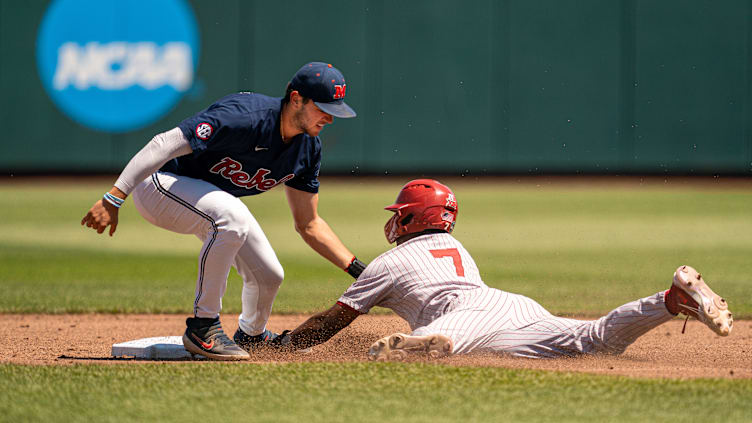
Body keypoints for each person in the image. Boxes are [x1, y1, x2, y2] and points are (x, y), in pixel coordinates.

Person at [81, 62, 368, 360]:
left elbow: (309, 224)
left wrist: (358, 269)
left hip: (206, 198)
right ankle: (203, 327)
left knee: (269, 275)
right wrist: (114, 197)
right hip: (159, 185)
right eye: (323, 108)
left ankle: (252, 335)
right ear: (296, 99)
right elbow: (164, 143)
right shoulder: (244, 117)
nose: (330, 118)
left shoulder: (307, 149)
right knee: (231, 218)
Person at [269, 179, 734, 360]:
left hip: (465, 315)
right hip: (511, 306)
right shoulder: (454, 245)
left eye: (401, 212)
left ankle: (421, 346)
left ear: (414, 218)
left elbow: (332, 322)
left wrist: (287, 346)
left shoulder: (390, 261)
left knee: (445, 339)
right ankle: (670, 300)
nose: (395, 219)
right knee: (592, 341)